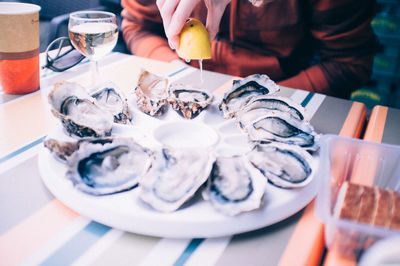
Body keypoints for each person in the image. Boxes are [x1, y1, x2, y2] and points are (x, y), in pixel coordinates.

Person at [121, 0, 378, 99]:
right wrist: (175, 70)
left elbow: (350, 62)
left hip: (280, 96)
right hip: (182, 95)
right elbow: (137, 26)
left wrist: (272, 99)